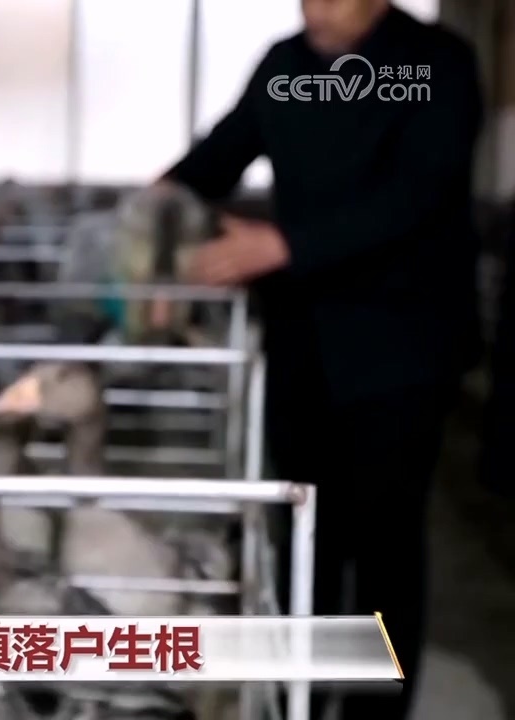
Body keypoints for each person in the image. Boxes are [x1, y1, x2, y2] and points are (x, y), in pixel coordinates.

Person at [159, 1, 483, 718]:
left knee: (385, 543)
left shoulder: (439, 65)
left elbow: (415, 195)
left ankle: (374, 709)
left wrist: (284, 244)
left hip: (401, 350)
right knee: (306, 533)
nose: (315, 8)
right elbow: (221, 153)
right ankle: (301, 694)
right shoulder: (286, 66)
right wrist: (159, 204)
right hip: (304, 345)